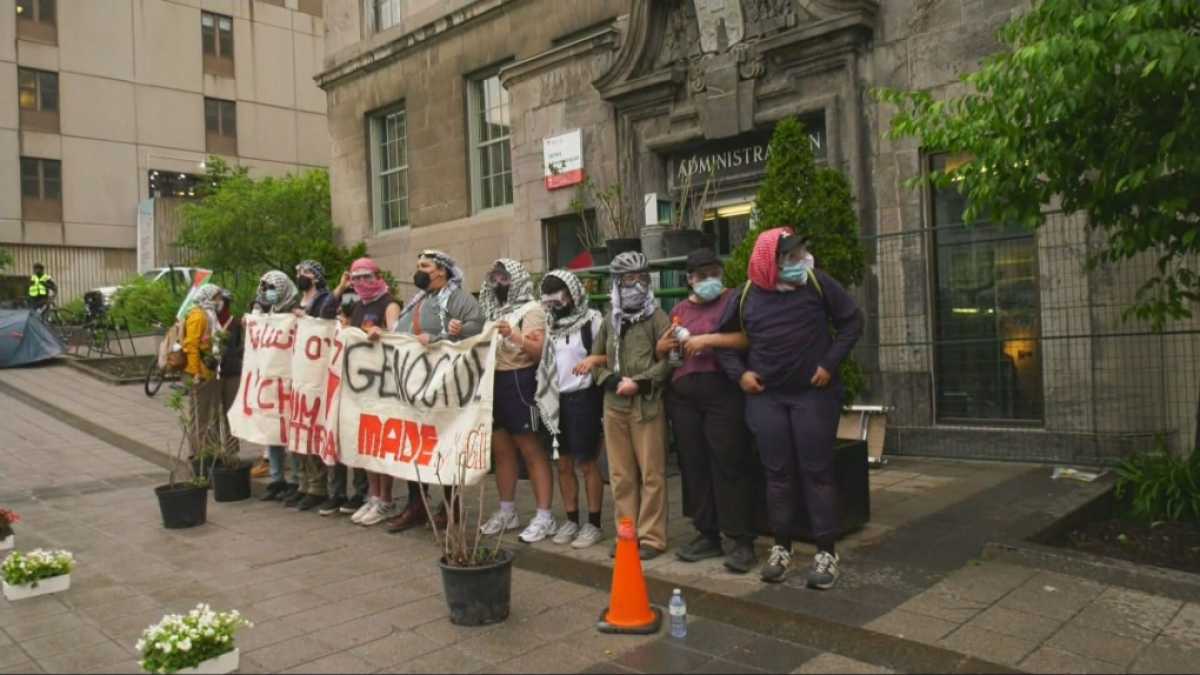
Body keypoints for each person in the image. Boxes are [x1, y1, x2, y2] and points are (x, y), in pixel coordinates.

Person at [717, 228, 863, 588]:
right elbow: (724, 343)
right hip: (768, 399)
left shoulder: (817, 283)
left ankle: (826, 552)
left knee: (818, 472)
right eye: (791, 257)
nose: (801, 261)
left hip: (812, 397)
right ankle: (781, 548)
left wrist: (829, 364)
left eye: (800, 253)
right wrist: (741, 375)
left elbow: (852, 322)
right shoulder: (747, 295)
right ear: (771, 261)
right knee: (777, 474)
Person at [657, 248, 758, 573]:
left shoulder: (733, 301)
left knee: (728, 462)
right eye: (702, 276)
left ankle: (741, 539)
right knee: (694, 464)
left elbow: (746, 339)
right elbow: (667, 349)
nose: (710, 281)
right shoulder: (680, 309)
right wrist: (664, 347)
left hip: (722, 394)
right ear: (689, 280)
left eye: (714, 273)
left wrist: (708, 340)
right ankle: (707, 532)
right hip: (684, 397)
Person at [577, 251, 673, 560]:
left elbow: (669, 362)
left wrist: (641, 382)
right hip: (614, 405)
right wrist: (608, 379)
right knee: (620, 475)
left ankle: (652, 538)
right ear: (618, 283)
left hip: (646, 405)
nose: (636, 285)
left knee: (652, 474)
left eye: (642, 278)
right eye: (629, 279)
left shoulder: (658, 318)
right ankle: (627, 533)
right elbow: (596, 358)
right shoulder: (609, 319)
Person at [384, 249, 483, 534]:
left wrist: (443, 337)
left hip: (448, 391)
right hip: (416, 390)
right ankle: (418, 505)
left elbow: (477, 333)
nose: (419, 270)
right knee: (416, 445)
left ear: (441, 270)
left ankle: (452, 507)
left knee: (447, 444)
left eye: (424, 265)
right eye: (418, 265)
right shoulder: (418, 302)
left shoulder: (461, 300)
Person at [476, 259, 557, 543]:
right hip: (494, 382)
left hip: (520, 381)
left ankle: (545, 514)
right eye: (495, 278)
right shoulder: (492, 310)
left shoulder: (532, 310)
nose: (499, 283)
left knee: (530, 448)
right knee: (502, 450)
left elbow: (538, 351)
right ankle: (507, 510)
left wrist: (514, 336)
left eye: (505, 278)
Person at [534, 270, 606, 549]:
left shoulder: (593, 321)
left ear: (572, 294)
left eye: (559, 298)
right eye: (549, 300)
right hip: (555, 401)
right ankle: (572, 519)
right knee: (562, 463)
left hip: (584, 399)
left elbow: (610, 353)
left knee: (587, 463)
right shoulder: (551, 326)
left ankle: (595, 523)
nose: (554, 305)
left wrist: (592, 361)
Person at [332, 258, 402, 526]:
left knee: (382, 445)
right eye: (355, 278)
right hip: (362, 388)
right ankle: (374, 496)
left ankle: (386, 499)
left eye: (365, 277)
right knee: (368, 445)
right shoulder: (359, 306)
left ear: (378, 275)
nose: (360, 283)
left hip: (383, 387)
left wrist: (379, 333)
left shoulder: (390, 304)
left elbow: (398, 339)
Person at [291, 260, 338, 512]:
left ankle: (319, 485)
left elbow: (325, 322)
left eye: (306, 273)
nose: (301, 276)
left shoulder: (324, 299)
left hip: (317, 375)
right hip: (300, 374)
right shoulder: (299, 299)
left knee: (315, 427)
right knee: (301, 428)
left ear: (317, 277)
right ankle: (304, 483)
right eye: (299, 273)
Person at [255, 271, 305, 503]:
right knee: (273, 431)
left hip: (290, 381)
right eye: (264, 287)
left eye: (271, 287)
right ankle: (277, 479)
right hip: (271, 381)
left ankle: (295, 480)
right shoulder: (268, 313)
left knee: (291, 431)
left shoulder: (295, 312)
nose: (267, 292)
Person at [180, 283, 224, 460]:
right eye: (217, 297)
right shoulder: (199, 315)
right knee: (201, 415)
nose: (220, 301)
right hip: (200, 372)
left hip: (209, 369)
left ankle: (207, 450)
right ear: (209, 297)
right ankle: (200, 452)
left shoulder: (209, 314)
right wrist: (196, 372)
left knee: (208, 413)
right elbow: (191, 345)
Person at [216, 289, 243, 460]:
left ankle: (231, 451)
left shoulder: (235, 323)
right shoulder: (209, 321)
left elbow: (240, 346)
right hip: (215, 372)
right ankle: (215, 451)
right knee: (215, 412)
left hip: (231, 371)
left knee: (230, 413)